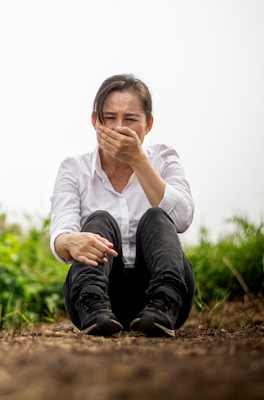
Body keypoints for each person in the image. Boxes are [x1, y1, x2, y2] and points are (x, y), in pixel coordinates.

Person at [49, 74, 195, 337]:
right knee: (99, 220)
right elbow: (61, 234)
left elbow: (183, 219)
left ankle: (163, 305)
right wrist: (70, 242)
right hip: (97, 293)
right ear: (95, 122)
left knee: (157, 217)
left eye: (130, 119)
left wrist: (139, 161)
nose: (118, 128)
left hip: (160, 291)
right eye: (109, 118)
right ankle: (94, 309)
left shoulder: (165, 158)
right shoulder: (74, 168)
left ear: (148, 124)